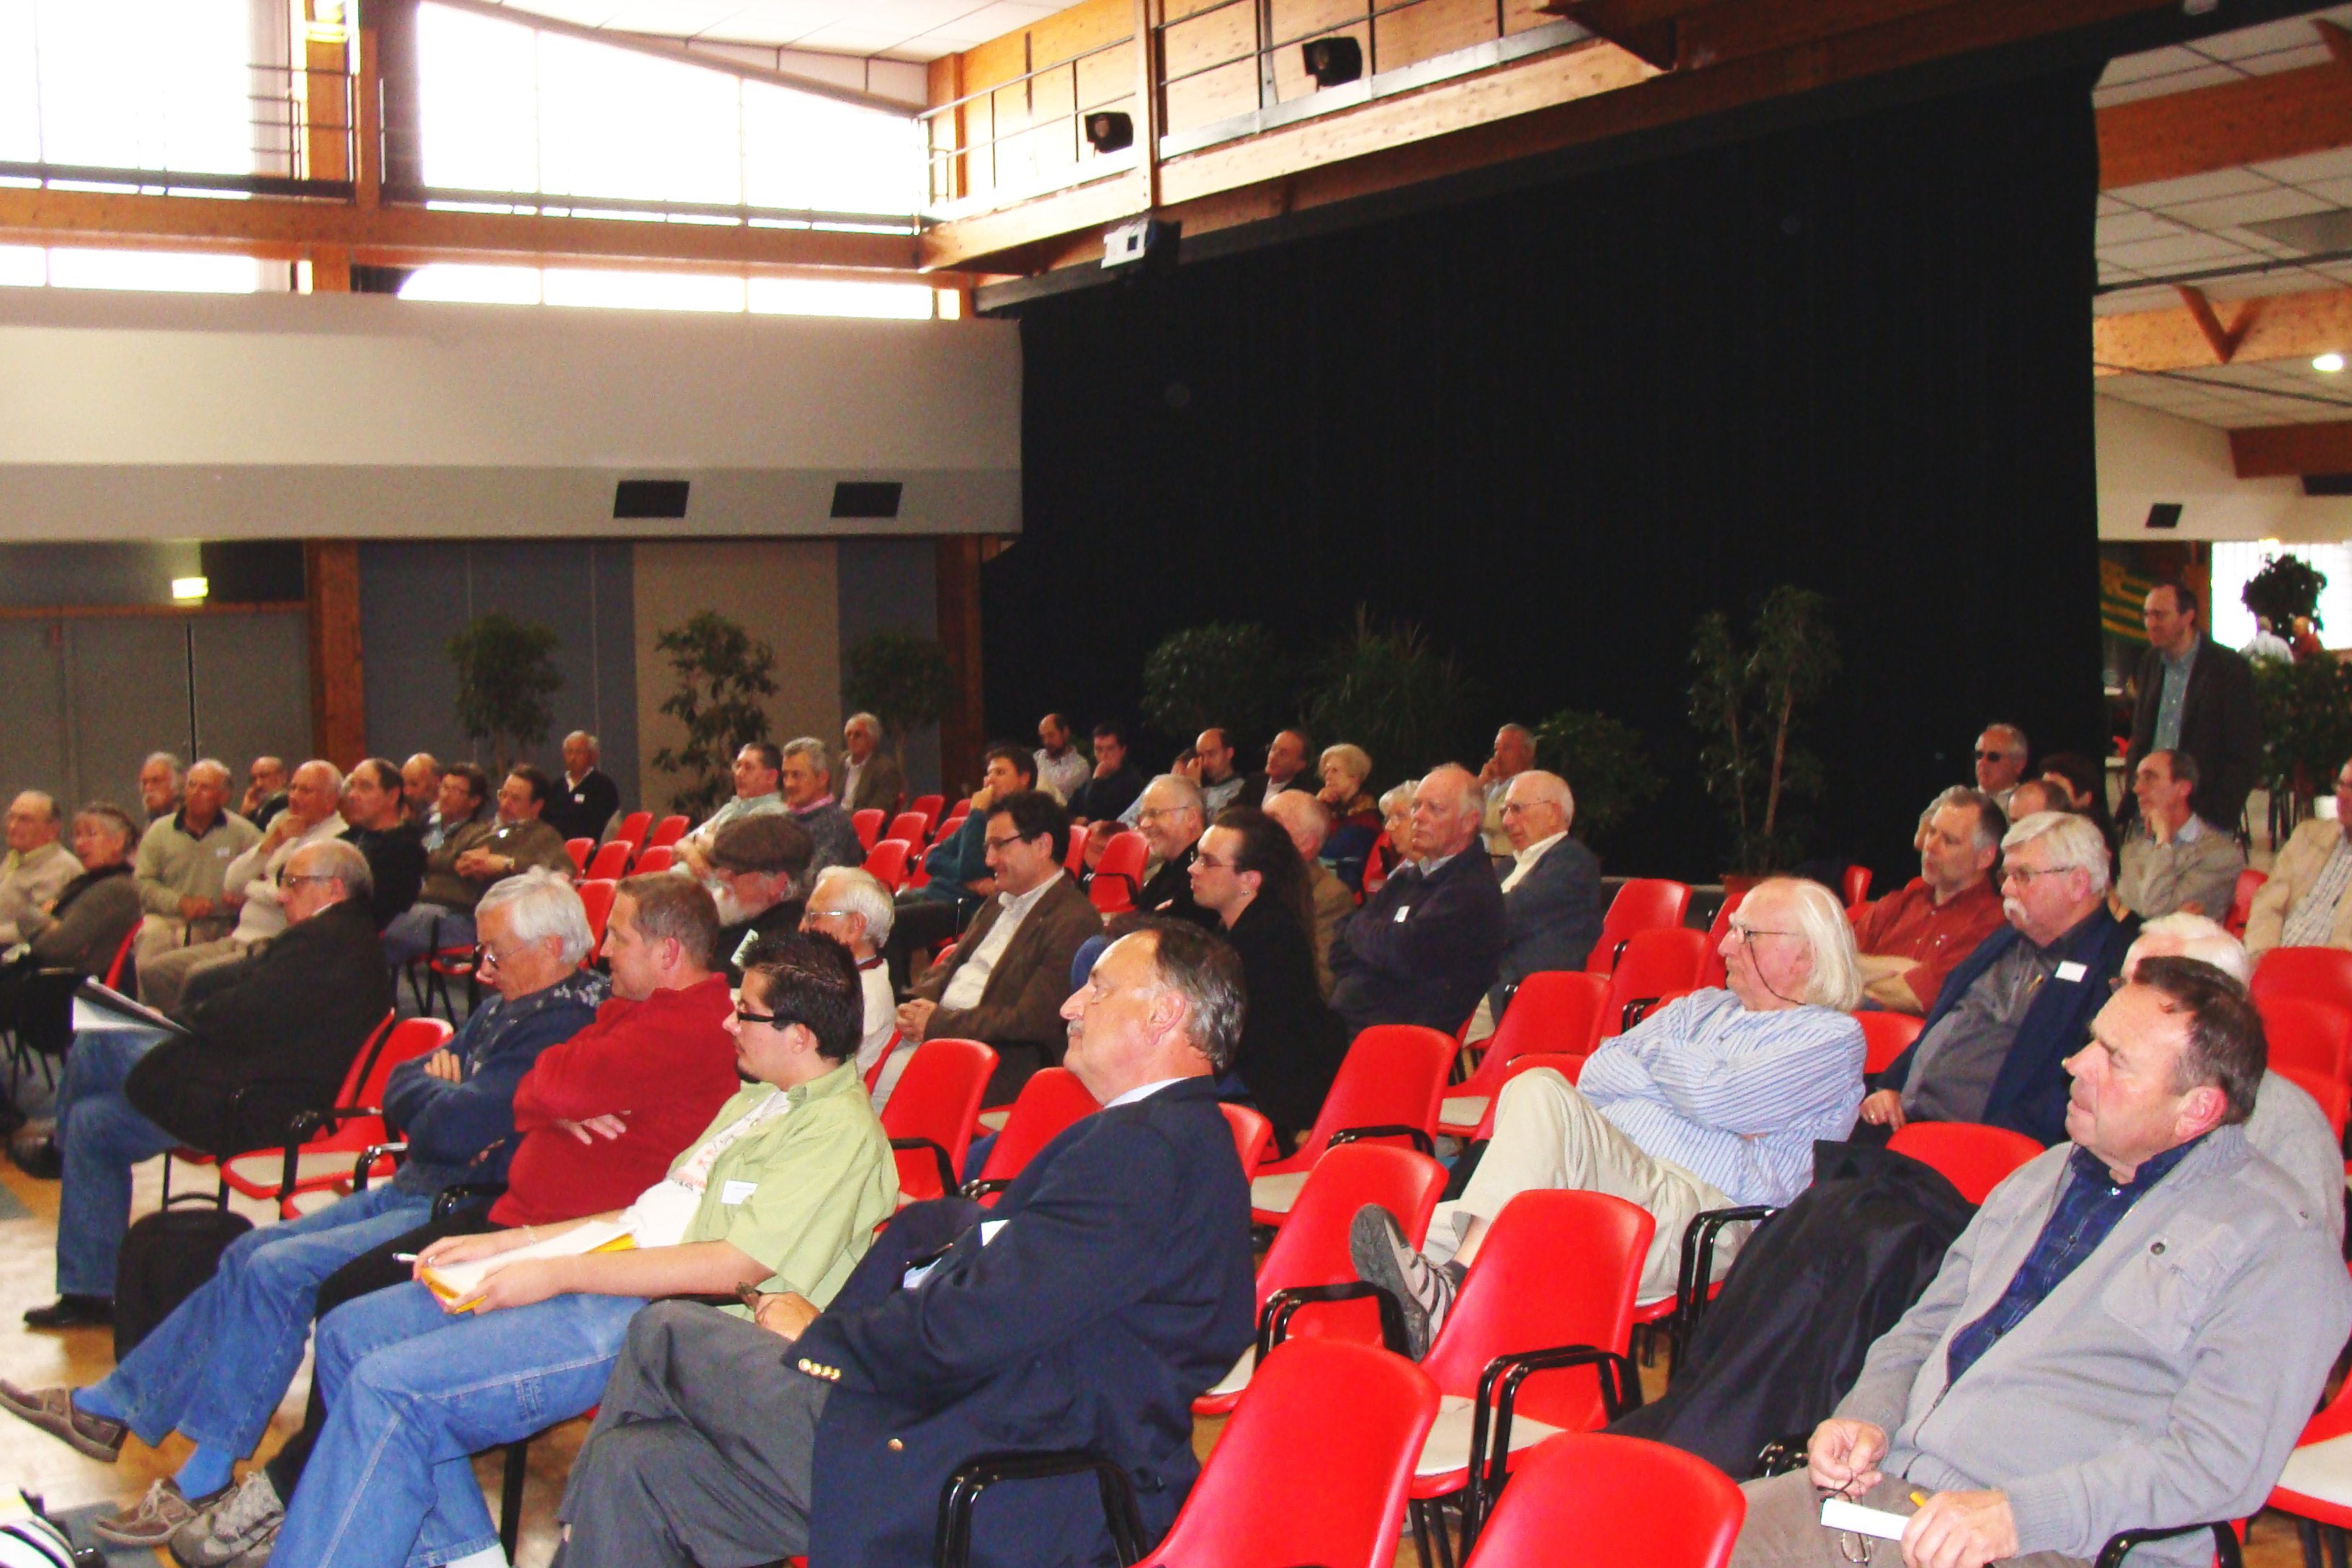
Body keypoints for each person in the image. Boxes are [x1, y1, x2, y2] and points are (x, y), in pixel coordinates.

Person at [551, 919, 1257, 1568]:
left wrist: (830, 1339)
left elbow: (982, 1322)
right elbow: (1021, 1291)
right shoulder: (1169, 1140)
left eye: (1097, 988)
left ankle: (568, 1540)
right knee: (634, 1465)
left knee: (666, 1330)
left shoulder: (1146, 1151)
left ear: (1166, 1014)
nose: (1071, 1006)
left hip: (1001, 1465)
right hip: (985, 1424)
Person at [0, 872, 605, 1544]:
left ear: (551, 947)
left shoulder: (564, 1024)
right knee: (247, 1255)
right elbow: (403, 1086)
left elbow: (457, 1129)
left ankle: (196, 1471)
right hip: (416, 1179)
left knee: (276, 1271)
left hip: (454, 1201)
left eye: (497, 954)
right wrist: (436, 1093)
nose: (483, 972)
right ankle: (115, 1410)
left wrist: (439, 1099)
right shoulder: (512, 1007)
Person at [266, 932, 899, 1568]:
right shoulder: (759, 1097)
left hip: (659, 1318)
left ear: (800, 1036)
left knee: (391, 1391)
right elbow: (648, 1212)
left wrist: (557, 1272)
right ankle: (469, 1557)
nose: (728, 1021)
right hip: (615, 1267)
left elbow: (732, 1265)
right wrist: (514, 1243)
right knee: (351, 1335)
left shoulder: (838, 1134)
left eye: (747, 1012)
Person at [165, 876, 745, 1564]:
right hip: (513, 1225)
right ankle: (438, 1543)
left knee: (372, 1356)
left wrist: (554, 1095)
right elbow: (523, 1086)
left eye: (618, 936)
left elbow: (543, 1085)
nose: (605, 951)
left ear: (669, 953)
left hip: (576, 1254)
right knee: (337, 1317)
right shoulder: (624, 1010)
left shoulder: (684, 1025)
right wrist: (556, 1097)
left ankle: (300, 1501)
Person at [1728, 957, 2350, 1568]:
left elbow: (2215, 1464)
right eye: (2091, 1043)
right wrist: (1868, 1416)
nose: (2075, 1065)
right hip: (1892, 1495)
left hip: (2059, 1542)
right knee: (1679, 1536)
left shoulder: (2278, 1245)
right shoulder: (2045, 1175)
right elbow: (1922, 1330)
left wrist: (2017, 1514)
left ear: (2198, 1110)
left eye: (2116, 1059)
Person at [1352, 876, 1865, 1353]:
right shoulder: (1699, 1008)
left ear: (1805, 955)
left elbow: (1718, 1096)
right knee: (1406, 1238)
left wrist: (1658, 1060)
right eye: (1730, 930)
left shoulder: (1832, 1040)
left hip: (1702, 1216)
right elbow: (1600, 1072)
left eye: (1746, 933)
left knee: (1539, 1088)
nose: (1725, 946)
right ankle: (1418, 1332)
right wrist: (1695, 1086)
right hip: (1609, 1178)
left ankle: (1455, 1294)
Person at [24, 839, 391, 1330]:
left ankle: (55, 1149)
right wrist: (180, 1018)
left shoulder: (332, 945)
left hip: (259, 1103)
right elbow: (248, 1004)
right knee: (95, 1125)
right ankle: (88, 1292)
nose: (282, 896)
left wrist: (176, 1021)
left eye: (293, 883)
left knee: (98, 1028)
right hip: (241, 1078)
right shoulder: (334, 938)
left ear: (335, 888)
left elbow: (246, 1014)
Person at [1864, 811, 2137, 1145]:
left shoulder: (2114, 967)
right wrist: (1891, 1085)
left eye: (2023, 875)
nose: (2006, 888)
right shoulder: (2006, 940)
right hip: (1901, 1120)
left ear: (2078, 884)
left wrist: (1989, 1144)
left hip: (1985, 1149)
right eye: (2006, 875)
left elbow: (2064, 1096)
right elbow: (1943, 1022)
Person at [2122, 912, 2344, 1244]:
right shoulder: (2113, 1084)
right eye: (2121, 987)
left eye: (2142, 996)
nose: (2116, 1007)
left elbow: (2307, 1253)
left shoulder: (2286, 1121)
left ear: (2212, 1015)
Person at [899, 789, 1102, 1100]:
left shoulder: (1073, 920)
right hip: (938, 1034)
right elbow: (953, 968)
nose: (989, 860)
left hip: (994, 1060)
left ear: (1043, 846)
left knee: (870, 1089)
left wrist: (939, 1023)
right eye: (987, 847)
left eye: (999, 845)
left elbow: (1031, 1020)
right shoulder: (998, 901)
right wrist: (913, 1004)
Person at [138, 760, 349, 1015]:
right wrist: (269, 845)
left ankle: (192, 1038)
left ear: (330, 800)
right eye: (293, 788)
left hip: (269, 945)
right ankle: (174, 1033)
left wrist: (252, 888)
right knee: (154, 971)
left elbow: (285, 895)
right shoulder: (281, 827)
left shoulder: (335, 842)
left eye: (306, 791)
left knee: (196, 977)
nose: (294, 797)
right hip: (239, 936)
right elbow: (233, 881)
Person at [1190, 806, 1346, 1141]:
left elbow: (1235, 1044)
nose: (1193, 868)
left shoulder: (1268, 938)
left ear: (1250, 881)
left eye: (1207, 861)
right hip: (1249, 1075)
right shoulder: (1235, 931)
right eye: (1196, 857)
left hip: (1266, 1094)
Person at [1328, 764, 1506, 1038]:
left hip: (1404, 1040)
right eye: (1416, 807)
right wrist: (1374, 941)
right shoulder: (1406, 879)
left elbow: (1404, 952)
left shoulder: (1472, 890)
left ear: (1469, 822)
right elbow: (1338, 949)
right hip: (1355, 1023)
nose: (1418, 818)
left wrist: (1361, 933)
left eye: (1434, 809)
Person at [380, 765, 573, 968]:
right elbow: (436, 858)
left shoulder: (542, 836)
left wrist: (506, 864)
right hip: (434, 905)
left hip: (473, 918)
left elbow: (564, 872)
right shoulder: (482, 829)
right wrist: (461, 861)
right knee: (388, 920)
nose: (505, 804)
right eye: (503, 795)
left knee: (386, 934)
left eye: (515, 799)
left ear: (536, 806)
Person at [886, 745, 1039, 984]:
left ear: (1024, 778)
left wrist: (977, 814)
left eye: (1000, 773)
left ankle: (894, 998)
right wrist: (964, 876)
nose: (990, 780)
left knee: (891, 924)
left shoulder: (1019, 822)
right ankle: (901, 986)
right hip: (937, 894)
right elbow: (934, 858)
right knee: (876, 913)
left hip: (964, 906)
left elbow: (972, 868)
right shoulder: (985, 818)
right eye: (989, 773)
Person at [1849, 790, 2008, 1015]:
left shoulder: (1991, 922)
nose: (1930, 846)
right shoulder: (1903, 901)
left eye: (1949, 841)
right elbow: (1830, 959)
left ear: (1985, 857)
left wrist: (1854, 977)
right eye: (1932, 832)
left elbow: (1917, 996)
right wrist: (1900, 968)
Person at [1473, 770, 1603, 1038]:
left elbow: (1503, 918)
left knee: (1412, 1026)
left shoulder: (1571, 862)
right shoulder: (1511, 864)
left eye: (1516, 809)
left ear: (1553, 813)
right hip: (1481, 981)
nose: (1507, 821)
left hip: (1520, 991)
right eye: (1505, 811)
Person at [2125, 581, 2263, 832]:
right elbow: (2141, 736)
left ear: (2187, 616)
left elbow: (2245, 748)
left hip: (2204, 810)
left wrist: (2221, 809)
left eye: (2160, 615)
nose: (2151, 624)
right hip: (2148, 809)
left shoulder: (2227, 669)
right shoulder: (2149, 663)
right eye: (2146, 615)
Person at [129, 760, 259, 965]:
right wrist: (181, 902)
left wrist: (244, 895)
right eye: (192, 785)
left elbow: (263, 874)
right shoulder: (160, 832)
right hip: (168, 918)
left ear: (223, 797)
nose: (195, 793)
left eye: (205, 787)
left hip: (223, 923)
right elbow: (143, 883)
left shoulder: (244, 834)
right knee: (152, 948)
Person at [801, 866, 902, 1105]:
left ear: (854, 926)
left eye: (813, 917)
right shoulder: (841, 981)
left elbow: (813, 1082)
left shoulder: (865, 998)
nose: (803, 928)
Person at [9, 802, 143, 982]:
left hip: (71, 989)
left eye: (91, 834)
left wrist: (31, 916)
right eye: (77, 835)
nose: (80, 844)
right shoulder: (83, 883)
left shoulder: (116, 889)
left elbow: (58, 947)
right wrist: (48, 924)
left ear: (117, 842)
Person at [2116, 749, 2245, 922]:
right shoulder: (2134, 848)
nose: (2138, 789)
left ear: (2183, 788)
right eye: (2136, 780)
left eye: (2149, 779)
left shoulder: (2220, 855)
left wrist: (2163, 841)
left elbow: (2153, 908)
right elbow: (2117, 911)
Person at [2245, 754, 2352, 963]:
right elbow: (2267, 904)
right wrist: (2264, 958)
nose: (2343, 796)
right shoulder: (2308, 837)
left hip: (2330, 978)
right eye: (2341, 785)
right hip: (2270, 964)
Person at [704, 811, 814, 980]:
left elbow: (729, 980)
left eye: (735, 871)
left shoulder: (781, 940)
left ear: (778, 884)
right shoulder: (736, 917)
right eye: (719, 866)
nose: (721, 877)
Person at [1264, 789, 1352, 997]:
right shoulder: (1247, 880)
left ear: (1306, 843)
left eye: (1273, 823)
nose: (1257, 831)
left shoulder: (1330, 897)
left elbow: (1321, 983)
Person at [338, 757, 427, 928]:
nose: (352, 795)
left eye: (364, 787)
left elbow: (378, 910)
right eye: (352, 786)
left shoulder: (406, 849)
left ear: (393, 796)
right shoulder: (348, 838)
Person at [675, 744, 786, 876]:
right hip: (683, 882)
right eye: (737, 766)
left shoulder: (772, 814)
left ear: (771, 777)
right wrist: (693, 855)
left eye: (748, 768)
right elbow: (678, 846)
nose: (739, 774)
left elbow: (730, 854)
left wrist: (699, 840)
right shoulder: (732, 807)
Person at [1132, 773, 1217, 927]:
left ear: (1191, 818)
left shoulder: (1205, 877)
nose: (1145, 824)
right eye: (1142, 816)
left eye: (1154, 814)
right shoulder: (1170, 869)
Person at [777, 736, 863, 877]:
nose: (789, 784)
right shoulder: (785, 820)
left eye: (796, 775)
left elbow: (816, 879)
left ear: (822, 778)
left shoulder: (835, 823)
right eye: (785, 775)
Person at [0, 790, 77, 947]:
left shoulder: (60, 868)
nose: (13, 826)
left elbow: (40, 927)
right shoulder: (14, 860)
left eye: (24, 820)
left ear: (53, 829)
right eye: (11, 817)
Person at [1317, 741, 1381, 889]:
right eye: (1326, 771)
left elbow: (1325, 852)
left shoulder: (1366, 818)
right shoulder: (1330, 809)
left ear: (1354, 776)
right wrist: (1318, 806)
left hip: (1344, 889)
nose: (1328, 777)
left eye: (1335, 770)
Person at [546, 731, 622, 845]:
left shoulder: (603, 786)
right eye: (569, 752)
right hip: (558, 854)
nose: (573, 757)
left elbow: (612, 827)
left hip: (592, 852)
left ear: (591, 756)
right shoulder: (556, 787)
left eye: (579, 752)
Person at [1066, 718, 1142, 825]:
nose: (1104, 755)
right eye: (1099, 749)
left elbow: (1094, 813)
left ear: (1123, 750)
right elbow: (1068, 810)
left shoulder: (1131, 782)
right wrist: (1074, 820)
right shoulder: (1090, 783)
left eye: (1110, 749)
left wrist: (1097, 779)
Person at [2039, 750, 2120, 851]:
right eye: (2043, 789)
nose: (2046, 797)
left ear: (2085, 798)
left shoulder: (2092, 841)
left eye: (2057, 791)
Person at [1476, 723, 1537, 855]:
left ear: (1527, 753)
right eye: (1496, 749)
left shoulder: (1530, 785)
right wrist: (1480, 783)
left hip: (1502, 861)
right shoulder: (1488, 784)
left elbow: (1498, 820)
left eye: (1506, 749)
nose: (1498, 756)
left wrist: (1467, 816)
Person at [839, 712, 904, 819]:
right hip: (839, 823)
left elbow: (877, 812)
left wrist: (841, 817)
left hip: (867, 827)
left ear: (872, 739)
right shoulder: (843, 761)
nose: (851, 739)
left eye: (858, 735)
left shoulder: (885, 769)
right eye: (848, 735)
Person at [1236, 728, 1314, 808]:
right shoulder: (1254, 782)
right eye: (1273, 749)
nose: (1273, 757)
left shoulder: (1302, 796)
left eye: (1283, 754)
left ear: (1300, 765)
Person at [1033, 712, 1091, 803]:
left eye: (1051, 735)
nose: (1046, 742)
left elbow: (1053, 796)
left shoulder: (1079, 766)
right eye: (1043, 737)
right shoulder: (1038, 757)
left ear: (1065, 732)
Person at [1972, 724, 2028, 812]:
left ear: (2019, 765)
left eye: (1993, 757)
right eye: (1979, 755)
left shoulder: (2028, 806)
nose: (1982, 763)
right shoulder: (1960, 802)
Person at [1195, 726, 1246, 814]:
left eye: (1211, 754)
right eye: (1201, 757)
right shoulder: (1204, 791)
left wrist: (1194, 787)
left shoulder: (1243, 792)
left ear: (1229, 753)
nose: (1205, 762)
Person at [400, 753, 443, 836]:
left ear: (435, 782)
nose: (407, 792)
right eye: (404, 785)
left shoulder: (447, 818)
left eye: (414, 784)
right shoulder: (408, 817)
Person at [241, 756, 288, 829]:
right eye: (253, 779)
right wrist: (245, 813)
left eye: (264, 776)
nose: (258, 784)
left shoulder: (285, 804)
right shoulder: (256, 810)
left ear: (283, 777)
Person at [136, 753, 182, 827]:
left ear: (176, 785)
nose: (148, 788)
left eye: (156, 781)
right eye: (144, 783)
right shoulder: (147, 830)